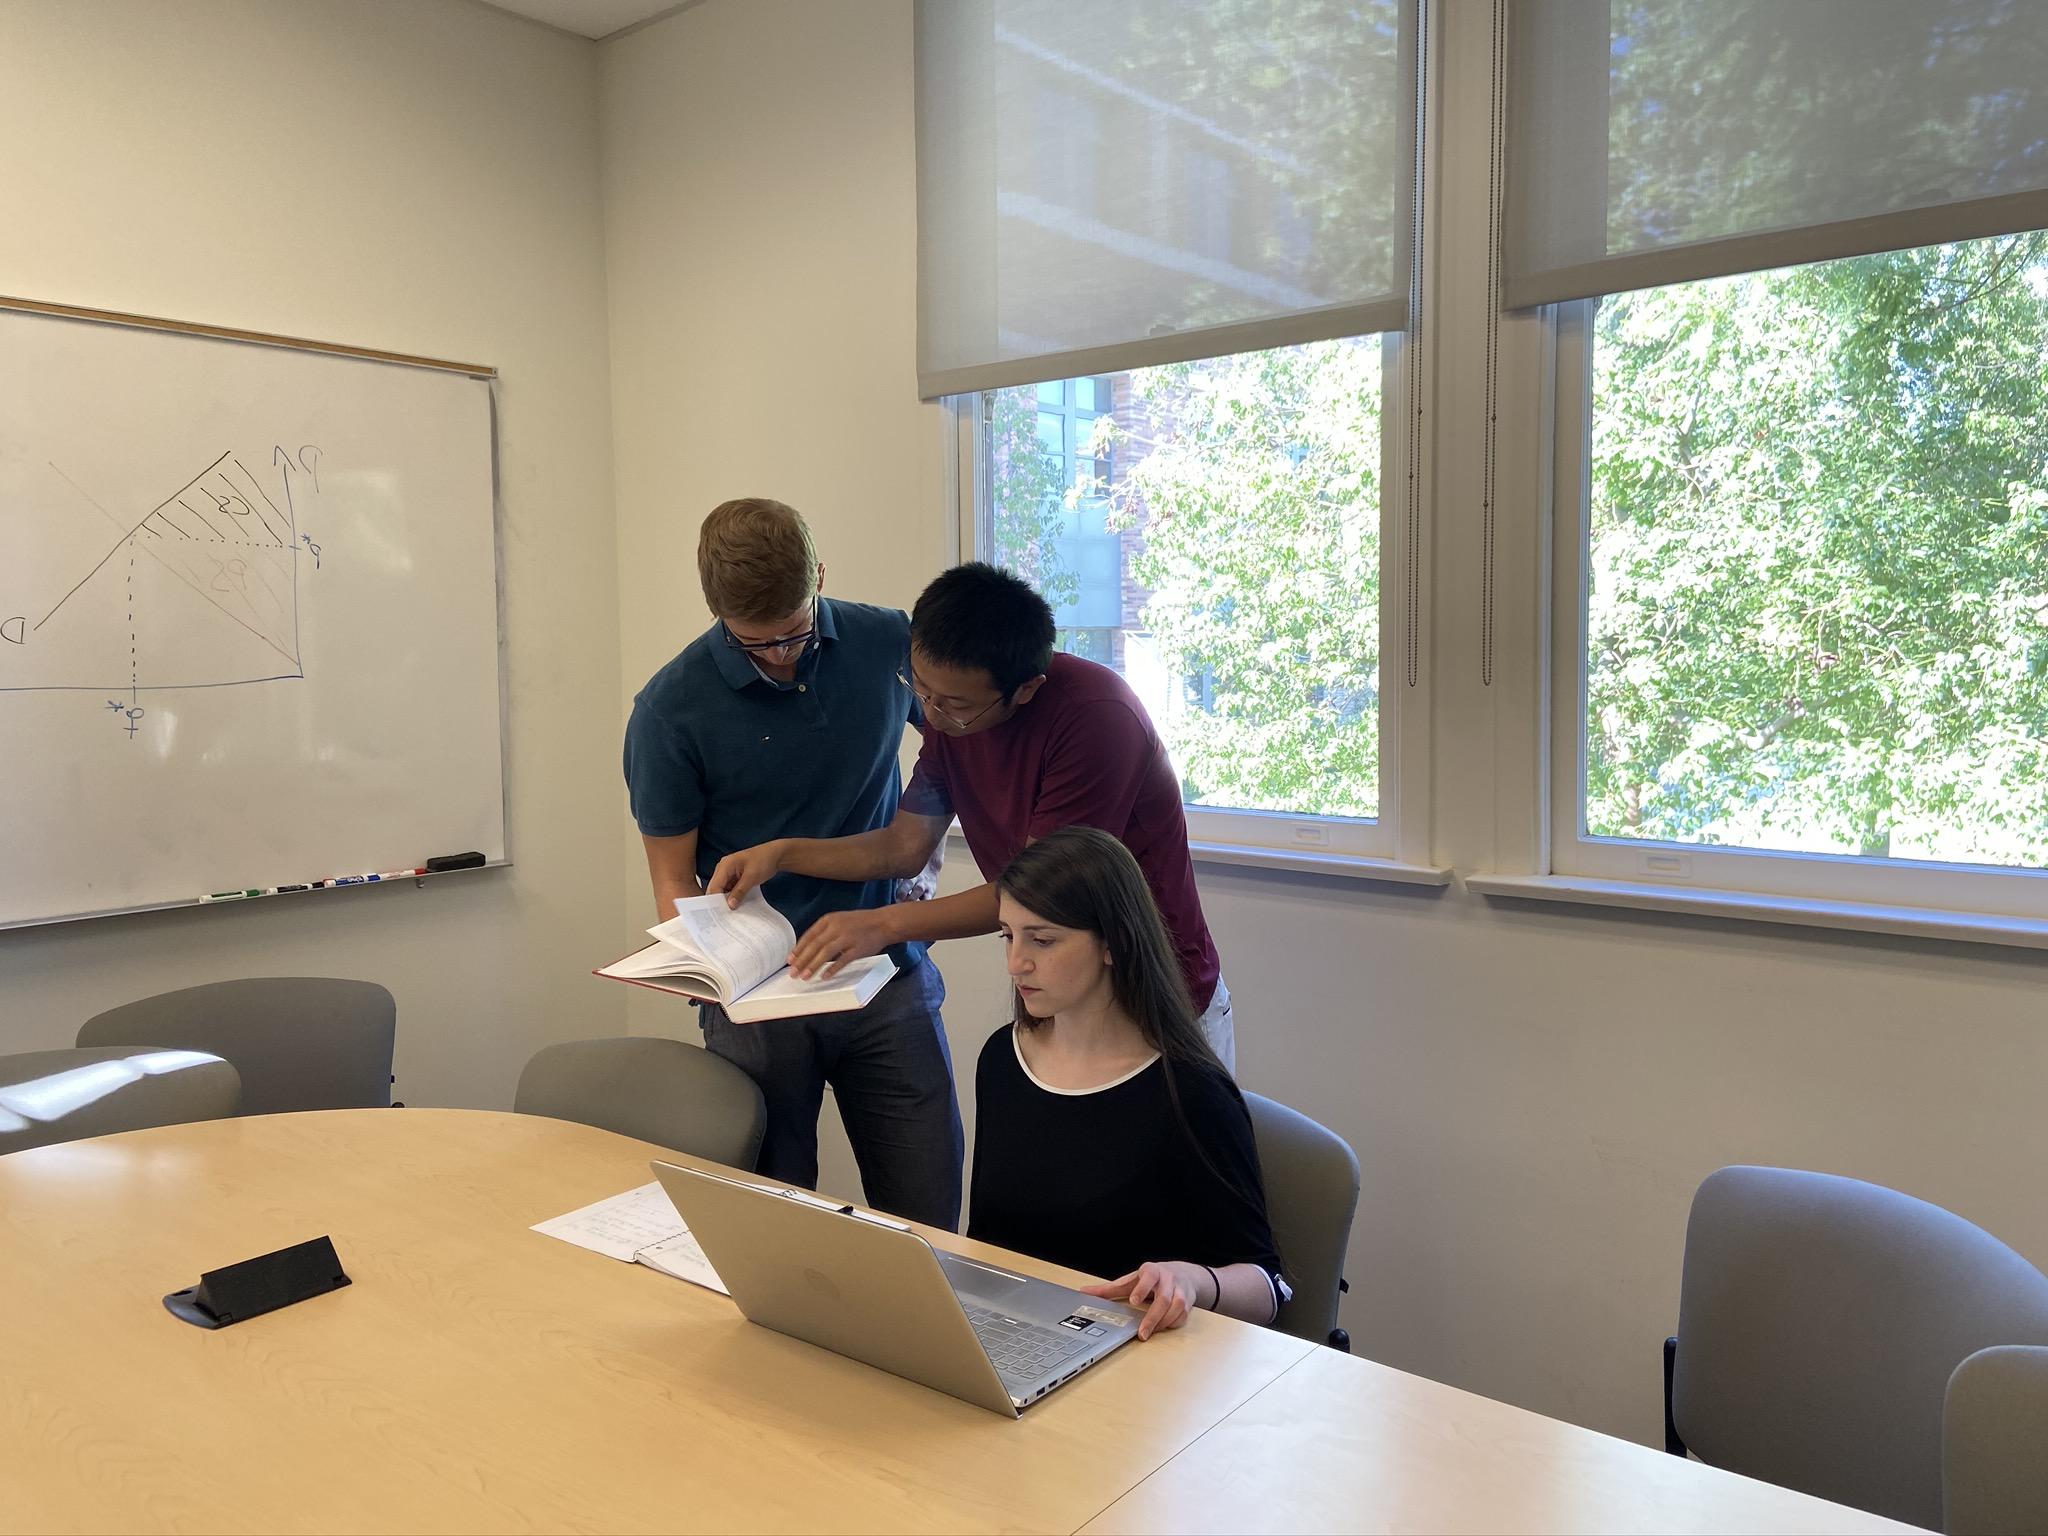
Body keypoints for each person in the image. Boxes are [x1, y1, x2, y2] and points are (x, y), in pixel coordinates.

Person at [707, 561, 1237, 1071]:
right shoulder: (949, 715)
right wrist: (781, 854)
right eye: (923, 690)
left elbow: (1039, 891)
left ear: (1026, 687)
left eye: (955, 704)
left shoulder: (1099, 718)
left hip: (1154, 992)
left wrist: (884, 924)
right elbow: (905, 845)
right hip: (1057, 993)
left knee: (1169, 1160)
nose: (932, 715)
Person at [621, 497, 963, 1228]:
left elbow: (959, 744)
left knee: (927, 1210)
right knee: (773, 1219)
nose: (781, 657)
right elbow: (672, 881)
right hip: (759, 1001)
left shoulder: (885, 642)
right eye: (757, 645)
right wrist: (711, 969)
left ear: (820, 580)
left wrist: (923, 842)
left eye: (797, 635)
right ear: (715, 610)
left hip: (885, 976)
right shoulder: (669, 709)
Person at [972, 826, 1285, 1339]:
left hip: (1137, 1357)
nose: (1016, 963)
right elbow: (987, 1243)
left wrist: (1193, 1280)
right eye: (1008, 935)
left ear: (1114, 944)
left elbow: (1268, 1287)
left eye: (1043, 939)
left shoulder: (1190, 1092)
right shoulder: (1002, 1059)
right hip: (1017, 1336)